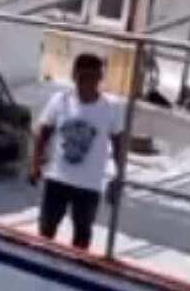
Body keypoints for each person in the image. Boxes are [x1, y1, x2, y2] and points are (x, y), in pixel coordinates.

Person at [31, 52, 126, 251]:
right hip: (57, 178)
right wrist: (35, 164)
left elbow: (119, 144)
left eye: (94, 77)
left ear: (100, 78)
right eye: (83, 77)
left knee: (82, 235)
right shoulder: (60, 100)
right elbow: (43, 132)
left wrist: (119, 177)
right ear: (74, 75)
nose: (88, 83)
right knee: (46, 229)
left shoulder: (111, 109)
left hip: (89, 185)